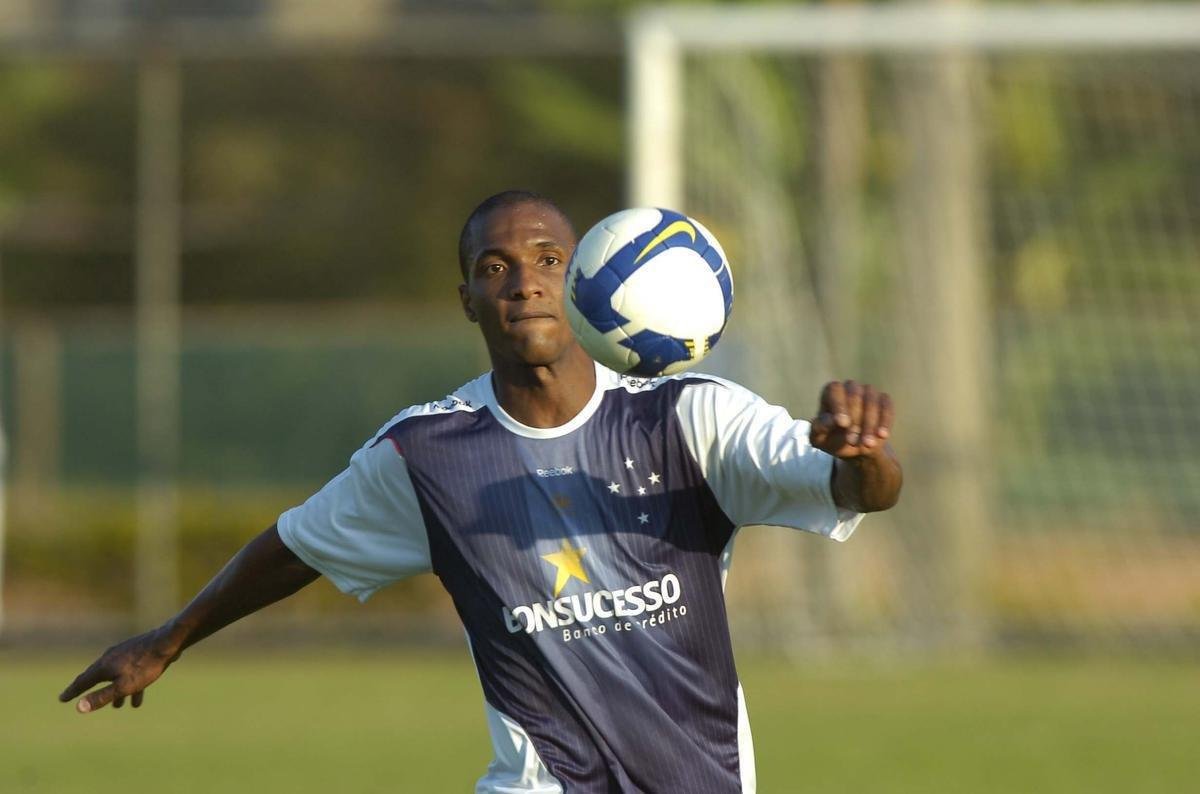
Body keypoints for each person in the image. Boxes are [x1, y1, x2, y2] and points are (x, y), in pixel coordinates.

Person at [60, 190, 902, 793]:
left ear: (582, 282)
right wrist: (165, 641)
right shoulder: (426, 453)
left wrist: (863, 452)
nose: (523, 281)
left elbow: (857, 490)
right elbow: (294, 549)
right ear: (467, 298)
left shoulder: (689, 419)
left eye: (547, 261)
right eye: (494, 267)